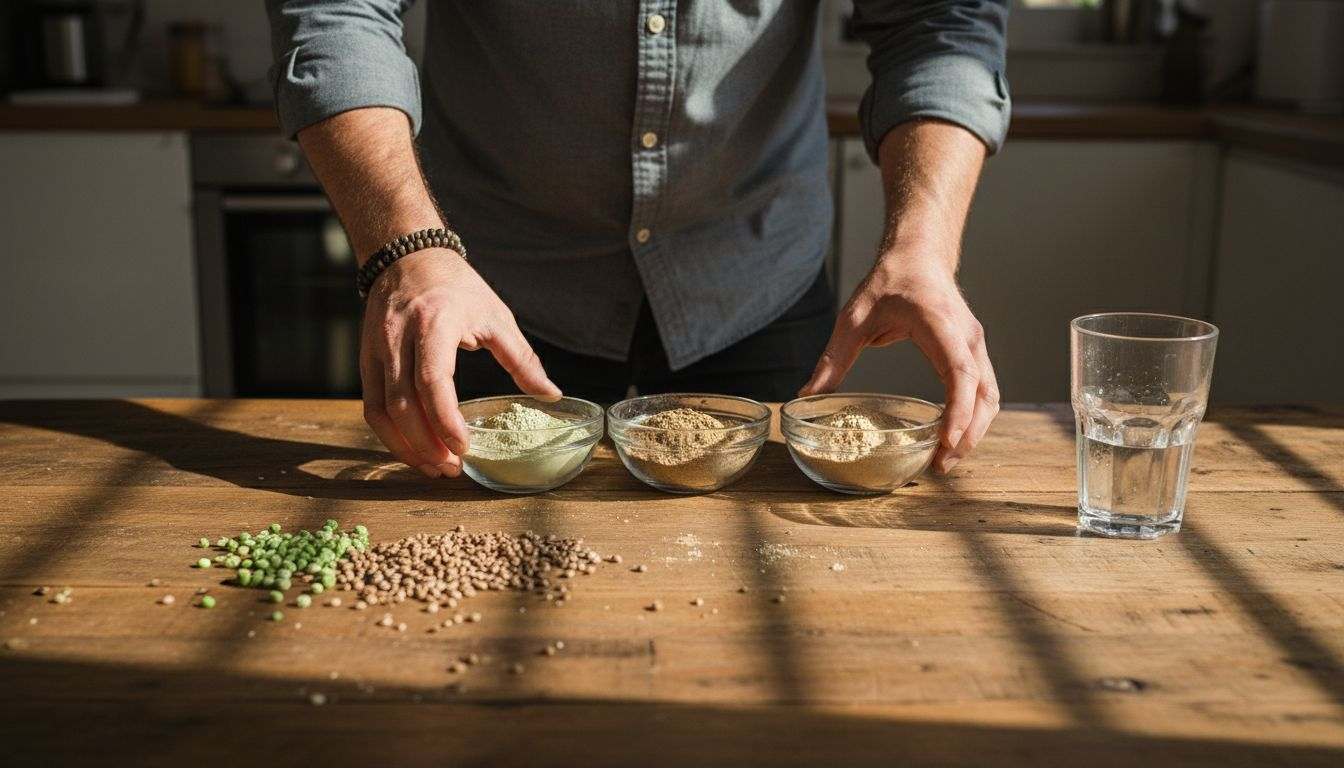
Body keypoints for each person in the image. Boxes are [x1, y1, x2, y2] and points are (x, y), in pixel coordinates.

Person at [266, 0, 1009, 480]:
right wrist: (406, 243)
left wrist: (923, 245)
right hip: (482, 298)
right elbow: (337, 12)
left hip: (755, 278)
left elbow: (938, 19)